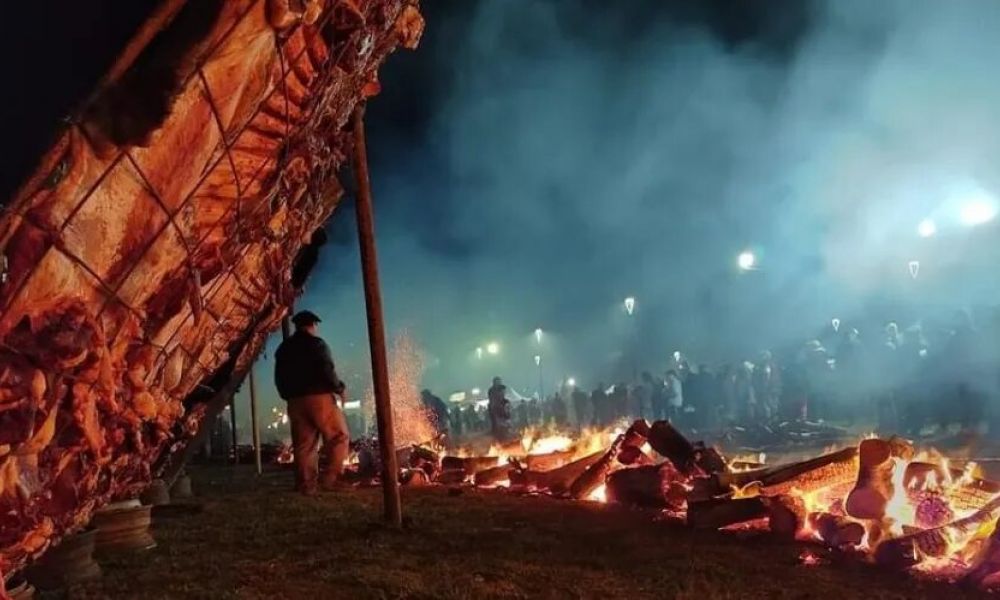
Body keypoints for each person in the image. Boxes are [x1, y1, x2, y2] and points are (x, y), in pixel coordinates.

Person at [274, 310, 350, 495]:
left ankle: (306, 486)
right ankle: (331, 478)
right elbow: (326, 369)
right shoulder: (317, 344)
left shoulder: (284, 348)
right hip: (319, 398)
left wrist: (288, 396)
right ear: (312, 325)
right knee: (338, 436)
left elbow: (279, 377)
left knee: (304, 445)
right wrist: (339, 388)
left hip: (295, 401)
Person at [487, 377, 512, 441]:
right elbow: (493, 401)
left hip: (500, 408)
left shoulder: (501, 389)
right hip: (495, 409)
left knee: (505, 423)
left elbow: (503, 399)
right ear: (494, 382)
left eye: (499, 381)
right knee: (497, 425)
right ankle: (498, 437)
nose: (499, 383)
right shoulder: (491, 390)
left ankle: (505, 435)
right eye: (497, 381)